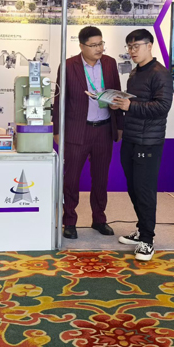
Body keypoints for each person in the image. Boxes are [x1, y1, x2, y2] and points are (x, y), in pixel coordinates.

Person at [53, 26, 123, 240]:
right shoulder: (68, 66)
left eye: (101, 44)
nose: (99, 49)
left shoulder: (110, 63)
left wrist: (119, 125)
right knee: (71, 180)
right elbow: (59, 99)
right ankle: (69, 221)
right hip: (77, 131)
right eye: (93, 45)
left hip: (103, 130)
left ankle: (99, 219)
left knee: (101, 179)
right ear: (81, 46)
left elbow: (118, 94)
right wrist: (57, 130)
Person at [111, 29, 172, 261]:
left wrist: (130, 107)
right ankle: (141, 230)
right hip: (131, 138)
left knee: (145, 191)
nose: (132, 51)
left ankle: (147, 240)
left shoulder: (161, 74)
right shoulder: (135, 73)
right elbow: (134, 103)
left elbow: (162, 107)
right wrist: (119, 105)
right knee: (133, 188)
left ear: (149, 45)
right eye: (129, 46)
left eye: (136, 46)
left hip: (149, 142)